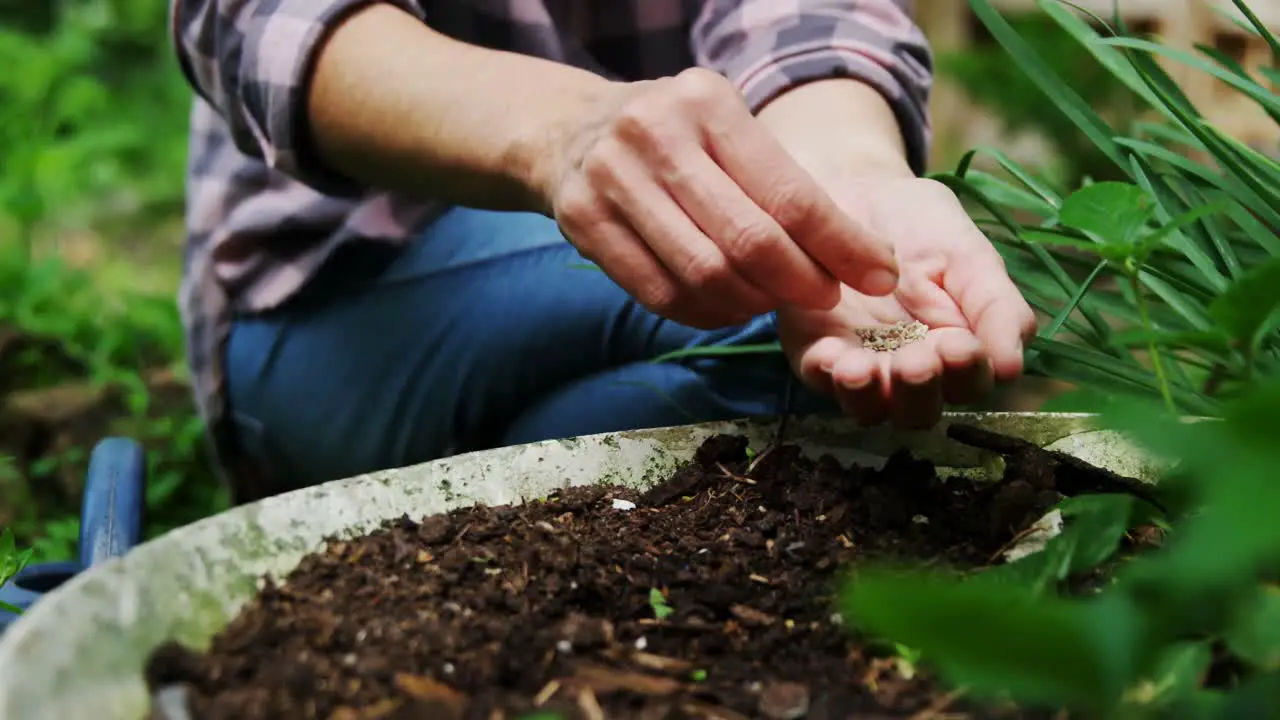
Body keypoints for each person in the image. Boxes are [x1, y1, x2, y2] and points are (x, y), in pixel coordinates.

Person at [169, 0, 1037, 504]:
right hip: (336, 292)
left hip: (623, 278)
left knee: (820, 337)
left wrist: (844, 182)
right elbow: (264, 24)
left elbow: (804, 17)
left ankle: (475, 545)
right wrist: (564, 135)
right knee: (759, 322)